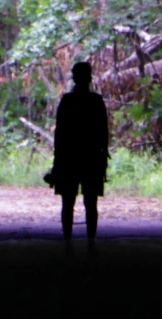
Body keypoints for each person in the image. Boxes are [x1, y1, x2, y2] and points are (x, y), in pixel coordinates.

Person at [48, 60, 108, 242]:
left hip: (69, 158)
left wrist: (57, 164)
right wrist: (103, 160)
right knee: (91, 203)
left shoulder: (67, 101)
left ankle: (68, 240)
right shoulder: (96, 101)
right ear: (89, 78)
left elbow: (60, 134)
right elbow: (103, 133)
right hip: (91, 157)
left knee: (68, 202)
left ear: (74, 78)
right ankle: (90, 241)